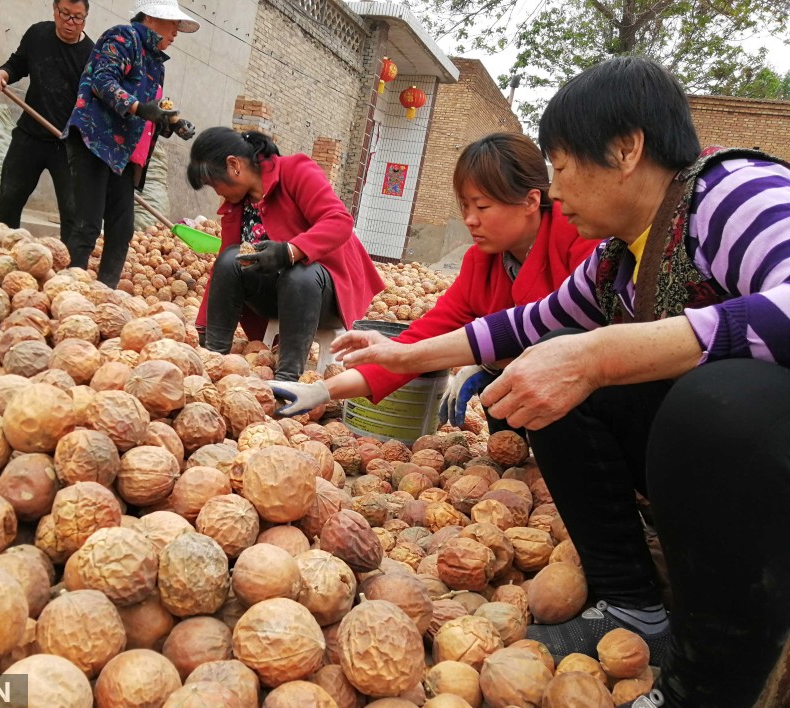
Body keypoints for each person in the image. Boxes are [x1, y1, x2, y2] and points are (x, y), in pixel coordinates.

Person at [318, 56, 790, 708]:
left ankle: (709, 684)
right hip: (719, 469)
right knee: (553, 358)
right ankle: (633, 607)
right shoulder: (615, 260)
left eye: (561, 166)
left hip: (761, 455)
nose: (555, 190)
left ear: (626, 150)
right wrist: (395, 355)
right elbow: (517, 327)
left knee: (713, 399)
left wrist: (603, 354)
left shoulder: (737, 196)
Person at [267, 132, 598, 421]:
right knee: (500, 400)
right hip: (525, 388)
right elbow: (418, 340)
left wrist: (489, 361)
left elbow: (587, 329)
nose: (470, 220)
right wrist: (322, 391)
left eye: (481, 207)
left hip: (596, 388)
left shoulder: (579, 235)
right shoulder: (480, 263)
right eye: (465, 207)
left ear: (530, 201)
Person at [187, 127, 385, 382]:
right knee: (230, 260)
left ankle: (288, 380)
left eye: (215, 184)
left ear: (234, 165)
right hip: (278, 296)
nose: (218, 193)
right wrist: (203, 327)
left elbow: (339, 221)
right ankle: (215, 363)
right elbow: (222, 270)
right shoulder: (237, 206)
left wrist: (290, 251)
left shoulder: (295, 171)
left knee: (298, 273)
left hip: (326, 293)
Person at [62, 0, 197, 288]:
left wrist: (171, 122)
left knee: (122, 229)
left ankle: (104, 291)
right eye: (172, 24)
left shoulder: (156, 62)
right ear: (150, 18)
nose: (175, 33)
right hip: (95, 142)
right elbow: (103, 81)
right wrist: (138, 107)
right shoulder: (123, 38)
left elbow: (152, 109)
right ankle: (67, 290)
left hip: (123, 156)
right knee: (87, 224)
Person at [0, 0, 94, 240]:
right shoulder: (38, 34)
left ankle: (70, 268)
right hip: (29, 136)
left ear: (85, 19)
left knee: (73, 212)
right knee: (9, 199)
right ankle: (4, 250)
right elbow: (17, 64)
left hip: (68, 145)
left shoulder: (91, 56)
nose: (70, 22)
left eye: (77, 17)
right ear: (55, 9)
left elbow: (93, 106)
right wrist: (1, 74)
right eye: (65, 14)